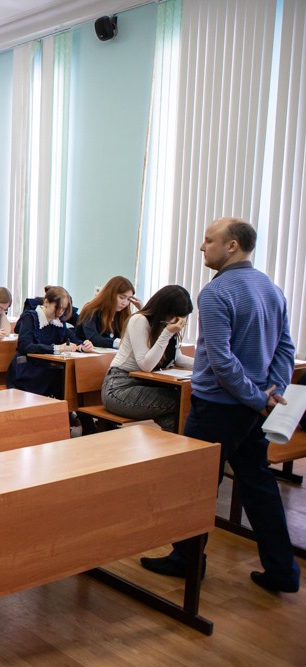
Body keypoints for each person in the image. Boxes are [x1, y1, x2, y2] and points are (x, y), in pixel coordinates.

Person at [139, 218, 300, 593]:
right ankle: (283, 571)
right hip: (253, 408)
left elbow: (222, 362)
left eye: (209, 240)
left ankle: (187, 561)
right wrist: (269, 394)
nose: (202, 246)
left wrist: (259, 397)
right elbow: (285, 349)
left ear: (232, 246)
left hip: (218, 407)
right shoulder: (271, 288)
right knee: (259, 484)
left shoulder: (215, 293)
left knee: (194, 485)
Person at [101, 285, 194, 432]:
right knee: (181, 401)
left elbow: (176, 358)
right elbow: (145, 365)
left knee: (177, 415)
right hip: (119, 388)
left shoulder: (165, 325)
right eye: (176, 317)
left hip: (147, 385)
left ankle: (177, 445)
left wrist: (206, 366)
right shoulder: (139, 320)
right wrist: (167, 333)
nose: (178, 323)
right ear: (164, 310)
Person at [7, 286, 92, 398]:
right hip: (26, 369)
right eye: (57, 308)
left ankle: (68, 407)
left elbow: (73, 339)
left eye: (63, 309)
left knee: (69, 376)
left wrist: (83, 345)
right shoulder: (30, 317)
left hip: (45, 368)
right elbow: (25, 346)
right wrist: (57, 348)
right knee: (62, 378)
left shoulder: (58, 322)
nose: (60, 312)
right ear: (46, 302)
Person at [77, 276, 141, 349]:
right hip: (84, 354)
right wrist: (119, 343)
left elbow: (131, 337)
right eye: (122, 297)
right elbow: (93, 338)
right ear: (110, 294)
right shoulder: (91, 310)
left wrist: (142, 310)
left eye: (129, 299)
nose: (125, 303)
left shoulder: (121, 314)